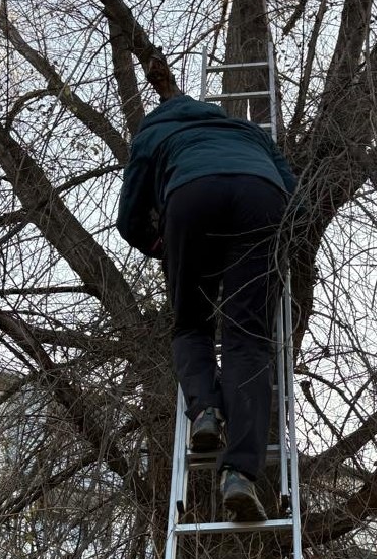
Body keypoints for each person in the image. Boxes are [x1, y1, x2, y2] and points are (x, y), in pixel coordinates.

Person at [117, 94, 297, 522]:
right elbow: (295, 192)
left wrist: (163, 247)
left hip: (191, 197)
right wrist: (281, 239)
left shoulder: (154, 132)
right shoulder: (248, 131)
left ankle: (206, 411)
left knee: (192, 324)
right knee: (248, 337)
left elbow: (129, 219)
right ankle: (239, 475)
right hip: (261, 196)